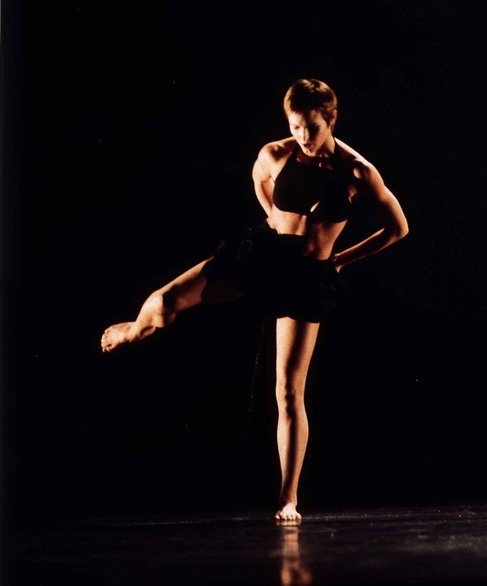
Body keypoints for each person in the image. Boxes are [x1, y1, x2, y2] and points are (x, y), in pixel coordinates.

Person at [101, 79, 409, 522]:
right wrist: (272, 218)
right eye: (296, 126)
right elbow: (260, 180)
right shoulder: (275, 153)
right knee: (166, 302)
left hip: (308, 277)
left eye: (313, 127)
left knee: (287, 391)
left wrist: (340, 259)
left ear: (332, 120)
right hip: (264, 256)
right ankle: (133, 330)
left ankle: (288, 498)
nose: (304, 135)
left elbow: (397, 228)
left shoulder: (357, 170)